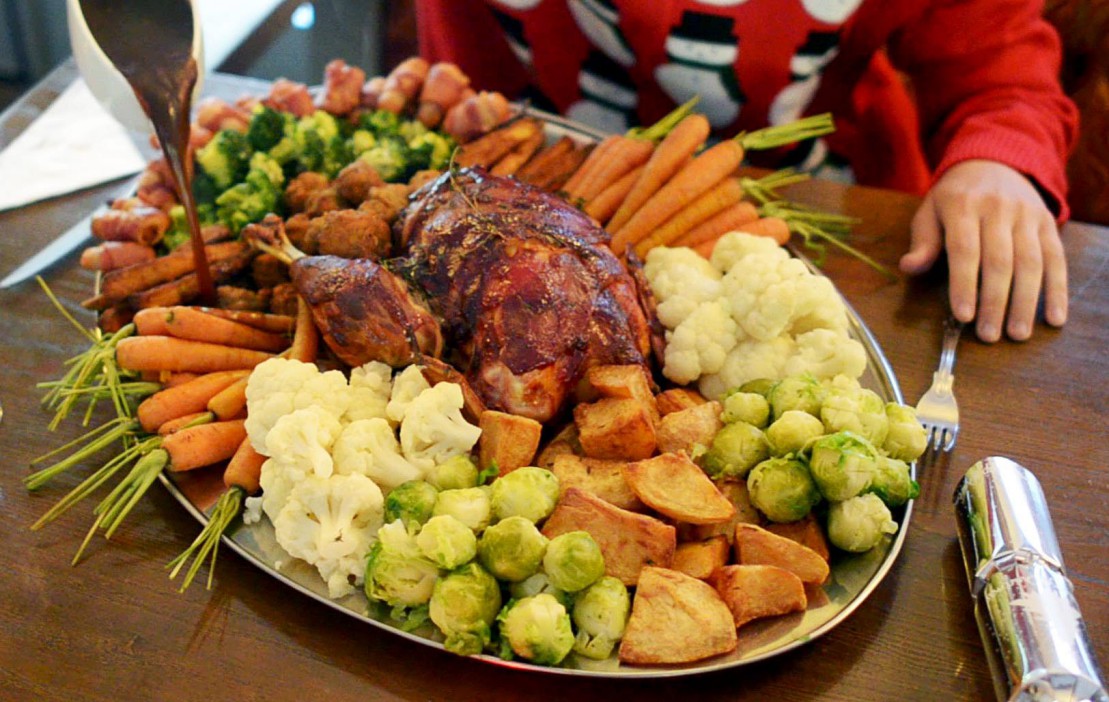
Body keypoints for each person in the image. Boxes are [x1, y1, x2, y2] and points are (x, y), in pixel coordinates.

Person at [413, 0, 1079, 343]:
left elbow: (1001, 78)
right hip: (553, 206)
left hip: (845, 229)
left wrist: (998, 161)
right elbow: (473, 109)